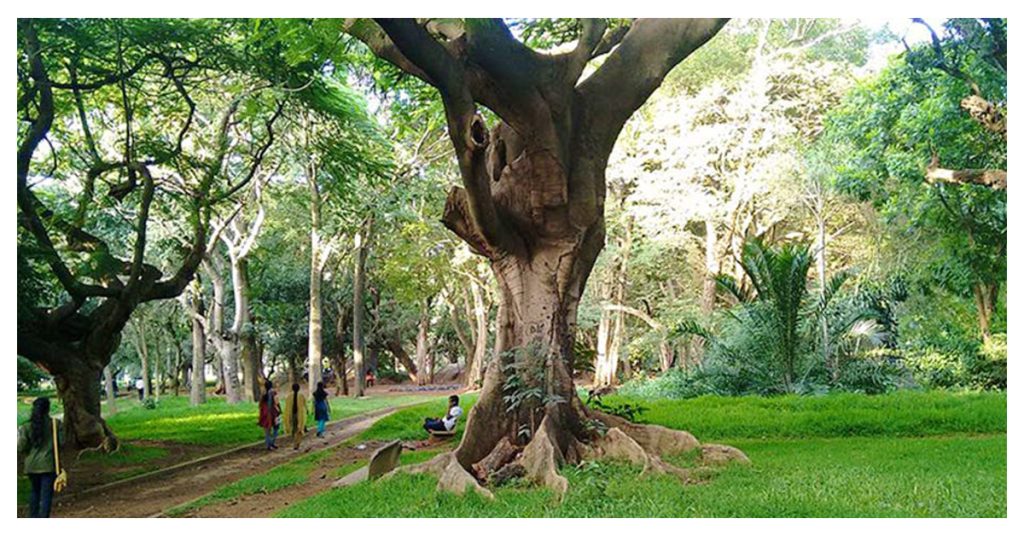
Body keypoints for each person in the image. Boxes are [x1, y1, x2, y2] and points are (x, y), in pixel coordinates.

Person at [17, 397, 63, 517]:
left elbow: (21, 447)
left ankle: (33, 517)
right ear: (48, 409)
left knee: (34, 492)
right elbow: (61, 442)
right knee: (46, 495)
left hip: (31, 465)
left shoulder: (26, 427)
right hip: (48, 465)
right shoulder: (55, 424)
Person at [283, 383, 307, 450]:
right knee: (296, 428)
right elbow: (305, 405)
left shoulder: (290, 396)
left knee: (297, 428)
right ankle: (296, 442)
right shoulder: (300, 396)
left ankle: (296, 442)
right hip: (296, 414)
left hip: (295, 414)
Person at [258, 380, 281, 450]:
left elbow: (260, 404)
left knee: (267, 430)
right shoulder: (273, 393)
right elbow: (277, 402)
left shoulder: (263, 394)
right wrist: (279, 410)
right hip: (273, 412)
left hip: (264, 412)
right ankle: (272, 442)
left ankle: (268, 444)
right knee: (276, 428)